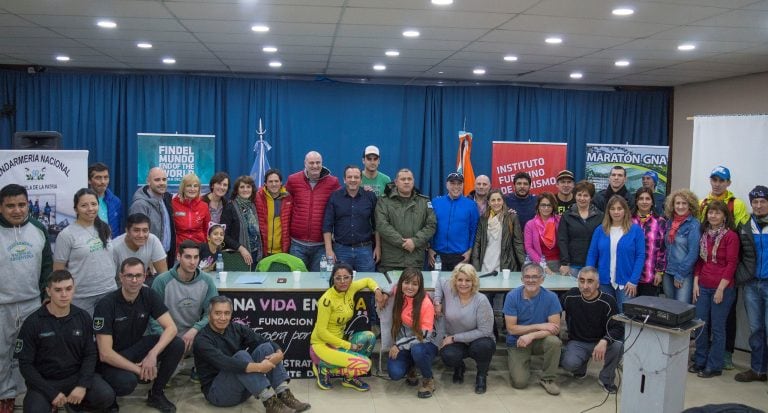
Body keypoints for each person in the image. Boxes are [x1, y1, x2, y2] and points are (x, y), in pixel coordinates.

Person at [14, 270, 115, 413]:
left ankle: (74, 405)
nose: (64, 294)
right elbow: (25, 365)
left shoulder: (83, 317)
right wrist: (51, 393)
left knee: (106, 396)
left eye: (68, 289)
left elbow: (90, 354)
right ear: (48, 291)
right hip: (45, 381)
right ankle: (52, 404)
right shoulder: (33, 322)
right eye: (58, 290)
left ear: (74, 289)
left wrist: (82, 385)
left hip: (75, 377)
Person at [94, 257, 184, 412]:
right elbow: (105, 354)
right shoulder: (106, 304)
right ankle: (109, 398)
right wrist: (139, 370)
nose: (134, 280)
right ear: (121, 277)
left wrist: (152, 355)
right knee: (127, 382)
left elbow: (171, 328)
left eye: (138, 276)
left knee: (176, 344)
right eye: (129, 275)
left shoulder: (148, 295)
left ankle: (156, 394)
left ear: (144, 277)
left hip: (135, 348)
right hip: (111, 358)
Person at [192, 296, 310, 412]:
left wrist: (279, 353)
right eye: (217, 313)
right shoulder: (202, 339)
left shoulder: (236, 328)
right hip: (218, 394)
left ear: (231, 314)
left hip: (245, 389)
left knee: (266, 348)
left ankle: (284, 394)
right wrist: (260, 367)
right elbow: (225, 363)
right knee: (241, 356)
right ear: (209, 315)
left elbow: (263, 340)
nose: (223, 317)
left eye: (227, 313)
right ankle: (270, 402)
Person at [0, 184, 52, 412]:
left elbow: (47, 268)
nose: (17, 210)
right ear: (1, 207)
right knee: (2, 352)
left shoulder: (39, 228)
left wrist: (45, 296)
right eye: (10, 206)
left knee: (34, 351)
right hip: (3, 305)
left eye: (22, 204)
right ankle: (5, 394)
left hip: (32, 302)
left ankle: (34, 392)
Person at [699, 165, 749, 370]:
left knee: (724, 319)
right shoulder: (703, 202)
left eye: (722, 180)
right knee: (703, 322)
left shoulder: (737, 204)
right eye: (714, 179)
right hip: (706, 274)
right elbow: (702, 240)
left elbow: (744, 237)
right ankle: (702, 359)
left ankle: (723, 357)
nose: (717, 184)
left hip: (727, 272)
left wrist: (724, 282)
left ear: (728, 183)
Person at [309, 262, 386, 392]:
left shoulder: (350, 288)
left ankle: (349, 378)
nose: (342, 281)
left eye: (346, 277)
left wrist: (377, 291)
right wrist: (349, 346)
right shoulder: (326, 300)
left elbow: (368, 280)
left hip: (338, 344)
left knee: (370, 337)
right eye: (338, 278)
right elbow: (321, 332)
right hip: (321, 346)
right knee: (365, 365)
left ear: (351, 278)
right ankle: (323, 368)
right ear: (333, 278)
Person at [689, 200, 740, 378]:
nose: (713, 216)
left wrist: (720, 289)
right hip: (703, 285)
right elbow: (700, 262)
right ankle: (700, 361)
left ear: (725, 216)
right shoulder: (705, 235)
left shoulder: (731, 236)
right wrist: (696, 282)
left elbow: (731, 264)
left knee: (718, 328)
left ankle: (715, 365)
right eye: (711, 212)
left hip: (723, 288)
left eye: (717, 213)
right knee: (700, 325)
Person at [559, 267, 623, 394]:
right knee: (569, 364)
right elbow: (554, 309)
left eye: (590, 281)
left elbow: (618, 327)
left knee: (618, 345)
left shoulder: (608, 301)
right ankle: (580, 367)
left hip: (601, 342)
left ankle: (606, 378)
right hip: (578, 341)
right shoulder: (571, 296)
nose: (585, 286)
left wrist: (605, 341)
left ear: (598, 284)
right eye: (582, 281)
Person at [433, 263, 495, 394]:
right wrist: (437, 301)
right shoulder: (450, 291)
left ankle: (481, 375)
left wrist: (454, 338)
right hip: (456, 341)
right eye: (460, 280)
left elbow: (485, 331)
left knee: (484, 346)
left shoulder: (481, 300)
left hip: (478, 340)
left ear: (474, 282)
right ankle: (459, 366)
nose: (463, 284)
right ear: (455, 281)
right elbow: (440, 280)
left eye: (468, 280)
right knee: (447, 355)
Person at [53, 188, 116, 315]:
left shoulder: (105, 228)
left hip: (109, 291)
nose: (90, 209)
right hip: (81, 296)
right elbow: (58, 270)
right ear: (76, 209)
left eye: (94, 204)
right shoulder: (66, 235)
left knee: (107, 333)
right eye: (84, 205)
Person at [503, 263, 562, 395]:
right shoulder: (512, 296)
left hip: (539, 339)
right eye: (527, 276)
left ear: (542, 279)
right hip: (518, 341)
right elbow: (511, 329)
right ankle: (519, 361)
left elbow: (555, 328)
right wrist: (538, 326)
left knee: (554, 342)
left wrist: (532, 335)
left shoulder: (551, 297)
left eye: (535, 276)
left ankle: (548, 379)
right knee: (519, 383)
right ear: (521, 279)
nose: (531, 280)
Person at [151, 240, 218, 355]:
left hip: (195, 335)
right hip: (166, 336)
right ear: (178, 257)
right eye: (188, 257)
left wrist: (195, 329)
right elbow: (152, 316)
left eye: (196, 257)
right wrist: (167, 338)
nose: (192, 262)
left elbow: (212, 313)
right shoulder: (162, 281)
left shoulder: (207, 280)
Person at [386, 268, 439, 398]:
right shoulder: (400, 294)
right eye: (407, 282)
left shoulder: (425, 303)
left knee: (417, 350)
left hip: (425, 344)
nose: (410, 287)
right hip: (405, 345)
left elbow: (425, 336)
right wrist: (383, 293)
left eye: (415, 284)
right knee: (395, 374)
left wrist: (398, 345)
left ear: (420, 286)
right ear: (401, 283)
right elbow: (391, 286)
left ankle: (428, 380)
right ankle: (412, 367)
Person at [586, 195, 645, 311]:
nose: (616, 212)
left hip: (627, 283)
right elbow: (592, 254)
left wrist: (633, 280)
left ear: (625, 211)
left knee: (625, 317)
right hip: (604, 282)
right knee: (606, 315)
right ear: (608, 211)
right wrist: (589, 275)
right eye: (612, 209)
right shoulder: (600, 230)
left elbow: (640, 256)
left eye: (619, 208)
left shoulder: (636, 230)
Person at [734, 185, 768, 383]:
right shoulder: (746, 225)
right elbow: (739, 255)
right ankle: (757, 369)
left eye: (763, 201)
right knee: (756, 329)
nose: (758, 205)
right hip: (751, 284)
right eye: (755, 202)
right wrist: (742, 276)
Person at [286, 151, 341, 271]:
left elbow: (343, 199)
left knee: (319, 283)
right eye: (311, 163)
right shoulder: (293, 180)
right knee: (296, 282)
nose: (315, 166)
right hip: (297, 244)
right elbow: (282, 199)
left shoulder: (333, 182)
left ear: (322, 163)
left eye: (318, 162)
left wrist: (364, 190)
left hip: (322, 246)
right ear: (305, 164)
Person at [375, 168, 437, 272]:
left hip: (415, 260)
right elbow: (382, 225)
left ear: (413, 181)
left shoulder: (424, 201)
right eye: (403, 179)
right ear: (396, 182)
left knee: (413, 288)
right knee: (390, 288)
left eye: (409, 179)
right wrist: (403, 243)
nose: (406, 182)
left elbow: (431, 225)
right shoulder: (384, 201)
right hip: (391, 260)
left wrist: (414, 242)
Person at [322, 165, 380, 272]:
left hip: (365, 250)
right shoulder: (335, 196)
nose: (353, 180)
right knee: (341, 285)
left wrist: (378, 247)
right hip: (341, 250)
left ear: (361, 180)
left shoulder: (370, 196)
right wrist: (329, 250)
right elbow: (327, 225)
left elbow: (377, 225)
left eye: (356, 177)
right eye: (349, 177)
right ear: (344, 179)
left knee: (367, 284)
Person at [429, 172, 479, 272]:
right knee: (436, 285)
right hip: (437, 255)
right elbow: (429, 226)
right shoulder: (435, 202)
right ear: (447, 185)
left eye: (459, 184)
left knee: (459, 286)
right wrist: (429, 248)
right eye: (452, 183)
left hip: (460, 256)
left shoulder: (471, 205)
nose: (456, 186)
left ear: (463, 185)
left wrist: (470, 250)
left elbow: (474, 230)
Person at [129, 167, 176, 266]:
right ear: (148, 181)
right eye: (157, 180)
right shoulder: (140, 205)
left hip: (164, 256)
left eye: (164, 179)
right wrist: (146, 260)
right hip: (148, 261)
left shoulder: (165, 200)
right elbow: (136, 235)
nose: (162, 183)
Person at [471, 189, 525, 273]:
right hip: (485, 265)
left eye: (499, 200)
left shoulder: (512, 218)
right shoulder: (483, 219)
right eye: (493, 200)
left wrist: (524, 266)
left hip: (505, 266)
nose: (496, 203)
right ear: (488, 202)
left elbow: (518, 244)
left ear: (503, 201)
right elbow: (477, 244)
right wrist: (476, 268)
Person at [662, 189, 702, 304]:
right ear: (672, 205)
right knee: (670, 308)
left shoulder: (694, 224)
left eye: (684, 203)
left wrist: (680, 274)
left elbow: (693, 253)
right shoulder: (669, 222)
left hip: (683, 274)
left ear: (690, 205)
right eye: (677, 203)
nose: (680, 206)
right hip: (668, 272)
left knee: (681, 309)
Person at [558, 180, 604, 277]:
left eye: (586, 195)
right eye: (579, 195)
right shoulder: (567, 215)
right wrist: (565, 263)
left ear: (591, 197)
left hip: (594, 265)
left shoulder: (600, 216)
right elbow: (562, 240)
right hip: (573, 265)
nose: (582, 198)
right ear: (575, 196)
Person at [220, 175, 262, 269]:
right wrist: (241, 249)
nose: (245, 190)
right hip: (238, 255)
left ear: (252, 189)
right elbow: (223, 235)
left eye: (248, 187)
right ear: (237, 190)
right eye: (242, 187)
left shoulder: (252, 206)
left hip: (255, 253)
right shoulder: (229, 207)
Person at [631, 187, 667, 296]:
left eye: (647, 199)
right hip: (629, 275)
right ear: (636, 201)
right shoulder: (628, 220)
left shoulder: (660, 222)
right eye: (641, 199)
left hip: (649, 275)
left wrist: (659, 272)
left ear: (652, 202)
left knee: (646, 310)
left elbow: (662, 249)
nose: (644, 202)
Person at [111, 213, 168, 280]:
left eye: (145, 230)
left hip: (140, 285)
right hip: (119, 287)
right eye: (136, 230)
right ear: (127, 231)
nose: (141, 235)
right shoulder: (114, 247)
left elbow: (164, 275)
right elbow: (109, 280)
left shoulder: (153, 240)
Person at [255, 169, 293, 256]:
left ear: (281, 183)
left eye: (276, 181)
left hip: (283, 251)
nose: (274, 184)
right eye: (270, 181)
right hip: (262, 251)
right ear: (265, 184)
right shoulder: (257, 198)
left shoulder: (289, 198)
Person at [524, 192, 561, 274]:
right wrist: (543, 266)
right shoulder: (530, 224)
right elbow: (528, 247)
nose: (546, 208)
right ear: (538, 206)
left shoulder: (560, 221)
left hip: (558, 264)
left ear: (553, 207)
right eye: (543, 205)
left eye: (549, 205)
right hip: (538, 264)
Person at [172, 172, 210, 251]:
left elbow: (207, 230)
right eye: (189, 186)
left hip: (199, 247)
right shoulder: (173, 204)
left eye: (195, 186)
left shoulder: (204, 206)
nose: (192, 189)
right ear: (183, 188)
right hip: (180, 249)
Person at [88, 162, 123, 236]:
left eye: (106, 177)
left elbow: (118, 229)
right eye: (98, 178)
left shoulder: (116, 202)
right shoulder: (82, 201)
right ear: (89, 180)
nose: (103, 182)